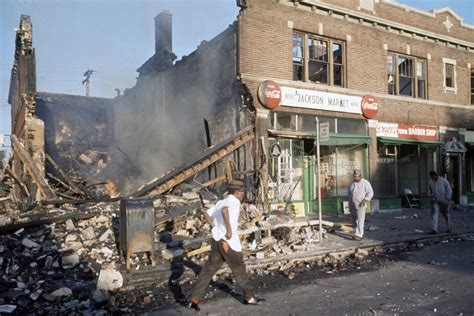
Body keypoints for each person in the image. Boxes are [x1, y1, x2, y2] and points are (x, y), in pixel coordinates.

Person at [187, 184, 264, 312]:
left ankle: (194, 300)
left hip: (217, 241)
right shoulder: (234, 202)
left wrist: (214, 227)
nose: (243, 194)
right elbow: (225, 211)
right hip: (229, 243)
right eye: (242, 192)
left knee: (207, 271)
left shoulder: (221, 202)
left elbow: (206, 213)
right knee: (239, 270)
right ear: (238, 192)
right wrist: (228, 231)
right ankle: (249, 297)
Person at [347, 169, 374, 241]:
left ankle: (359, 234)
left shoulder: (365, 183)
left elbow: (370, 193)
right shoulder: (352, 183)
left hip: (361, 204)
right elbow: (349, 192)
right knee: (353, 218)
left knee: (360, 219)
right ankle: (356, 231)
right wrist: (349, 200)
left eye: (356, 177)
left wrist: (365, 200)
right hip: (352, 204)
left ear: (360, 176)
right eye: (354, 176)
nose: (355, 178)